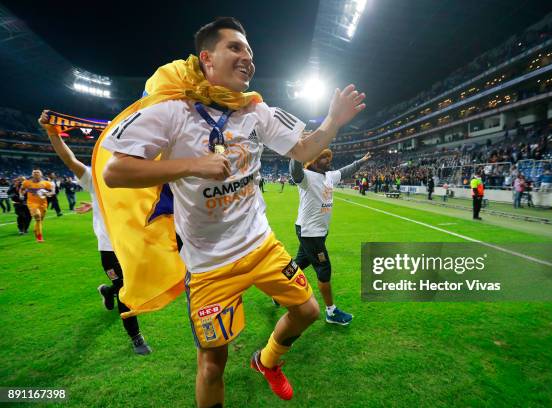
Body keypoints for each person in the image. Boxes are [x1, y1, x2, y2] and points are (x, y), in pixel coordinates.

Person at [100, 17, 366, 407]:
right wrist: (192, 165)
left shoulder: (256, 111)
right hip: (209, 266)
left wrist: (333, 121)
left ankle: (267, 361)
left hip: (261, 247)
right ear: (207, 58)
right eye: (236, 48)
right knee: (212, 363)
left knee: (307, 310)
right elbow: (115, 171)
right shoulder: (172, 111)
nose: (248, 58)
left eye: (251, 52)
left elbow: (305, 151)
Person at [38, 110, 152, 355]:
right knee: (125, 289)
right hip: (109, 247)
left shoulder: (135, 175)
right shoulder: (93, 177)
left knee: (127, 285)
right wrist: (52, 133)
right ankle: (136, 337)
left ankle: (106, 290)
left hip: (133, 244)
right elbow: (69, 160)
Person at [289, 150, 370, 325]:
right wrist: (298, 151)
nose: (328, 160)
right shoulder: (306, 177)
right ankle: (331, 312)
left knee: (300, 263)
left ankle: (278, 294)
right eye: (324, 158)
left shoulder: (330, 176)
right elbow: (295, 171)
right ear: (314, 160)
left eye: (329, 158)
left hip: (318, 232)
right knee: (324, 269)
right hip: (311, 233)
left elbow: (346, 170)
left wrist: (361, 161)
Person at [20, 169, 53, 242]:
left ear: (41, 174)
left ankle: (36, 230)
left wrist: (47, 194)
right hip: (32, 203)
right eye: (34, 172)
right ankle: (39, 237)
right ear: (32, 174)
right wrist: (21, 194)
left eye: (37, 172)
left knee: (40, 220)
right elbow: (21, 189)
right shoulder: (26, 182)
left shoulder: (46, 183)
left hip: (43, 204)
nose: (36, 173)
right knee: (37, 216)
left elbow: (52, 192)